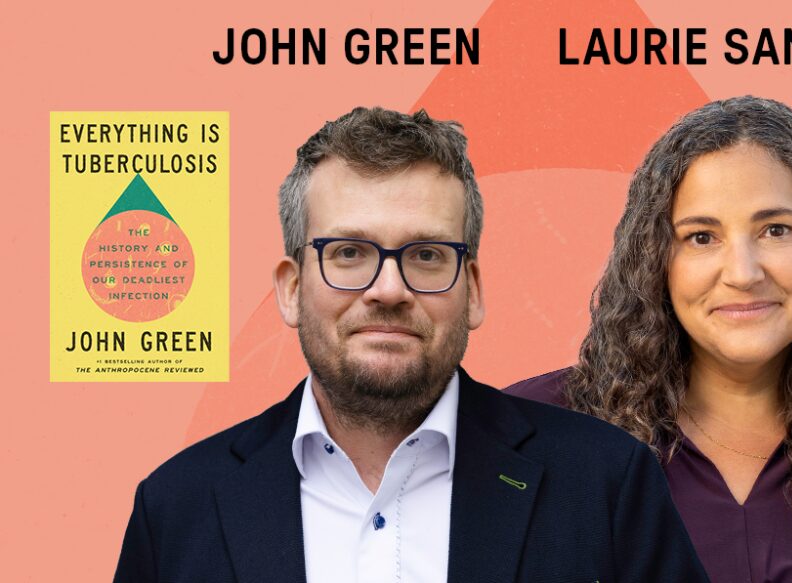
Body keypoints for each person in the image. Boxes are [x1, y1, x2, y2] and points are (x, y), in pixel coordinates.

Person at [113, 107, 708, 583]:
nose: (388, 290)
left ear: (472, 291)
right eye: (349, 253)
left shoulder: (606, 483)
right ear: (292, 289)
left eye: (426, 255)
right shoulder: (176, 509)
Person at [507, 96, 792, 583]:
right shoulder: (526, 435)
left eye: (776, 230)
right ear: (654, 259)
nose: (743, 274)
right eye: (701, 237)